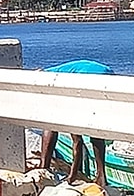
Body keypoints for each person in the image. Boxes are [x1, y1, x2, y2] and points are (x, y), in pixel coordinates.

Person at [39, 60, 112, 188]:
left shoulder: (47, 83)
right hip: (107, 74)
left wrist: (70, 178)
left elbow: (76, 141)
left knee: (50, 125)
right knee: (94, 127)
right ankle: (101, 176)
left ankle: (43, 169)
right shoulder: (56, 74)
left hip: (88, 78)